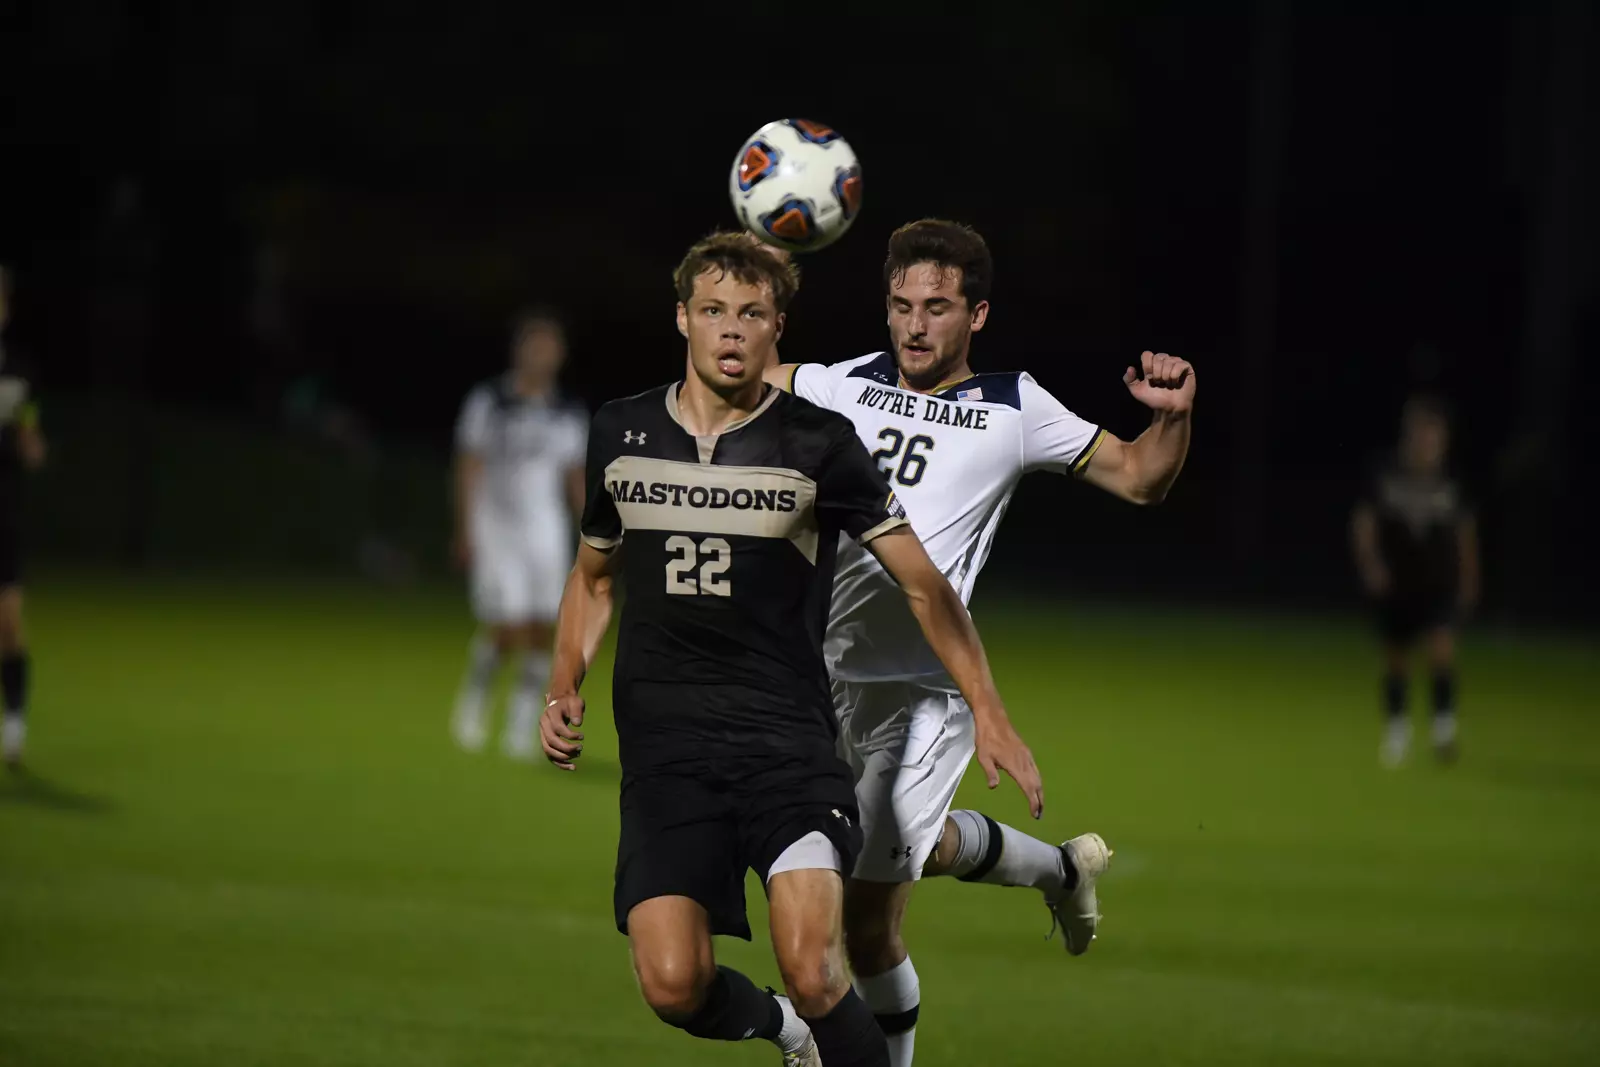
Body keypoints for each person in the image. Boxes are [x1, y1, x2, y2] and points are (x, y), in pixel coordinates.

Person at [537, 232, 1042, 1067]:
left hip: (787, 747)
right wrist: (564, 683)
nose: (731, 330)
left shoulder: (819, 443)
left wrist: (990, 710)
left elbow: (926, 586)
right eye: (713, 311)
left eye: (751, 314)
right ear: (682, 320)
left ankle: (822, 1021)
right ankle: (790, 1034)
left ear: (778, 331)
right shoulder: (621, 433)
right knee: (673, 983)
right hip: (668, 754)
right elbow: (593, 577)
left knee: (814, 963)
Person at [763, 219, 1195, 1066]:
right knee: (899, 855)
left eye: (937, 307)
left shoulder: (1015, 406)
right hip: (820, 683)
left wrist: (1174, 418)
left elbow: (1143, 478)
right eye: (900, 306)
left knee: (868, 923)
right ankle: (1063, 871)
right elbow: (722, 382)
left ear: (978, 315)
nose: (915, 325)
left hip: (926, 689)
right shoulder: (835, 384)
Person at [450, 308, 591, 759]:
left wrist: (591, 532)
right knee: (506, 624)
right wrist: (465, 527)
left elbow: (573, 475)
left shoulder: (567, 410)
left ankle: (519, 721)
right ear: (519, 350)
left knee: (540, 626)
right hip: (497, 524)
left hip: (544, 525)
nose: (543, 355)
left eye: (551, 346)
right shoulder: (491, 400)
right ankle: (475, 700)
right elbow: (469, 462)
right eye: (536, 345)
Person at [1351, 394, 1478, 767]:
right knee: (1396, 661)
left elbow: (1466, 533)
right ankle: (1397, 732)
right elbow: (1363, 523)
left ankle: (1443, 728)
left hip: (1438, 584)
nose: (1426, 440)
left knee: (1441, 651)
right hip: (1397, 585)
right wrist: (1371, 565)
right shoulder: (1385, 472)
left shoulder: (1452, 479)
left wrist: (1470, 577)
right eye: (1420, 431)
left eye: (1433, 432)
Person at [0, 265, 48, 769]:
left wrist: (32, 445)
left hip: (4, 509)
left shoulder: (21, 370)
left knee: (9, 625)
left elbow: (29, 425)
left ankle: (14, 724)